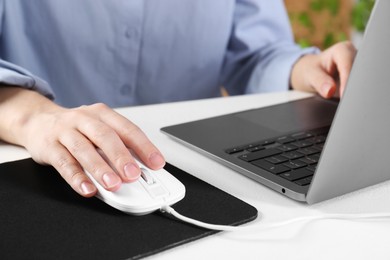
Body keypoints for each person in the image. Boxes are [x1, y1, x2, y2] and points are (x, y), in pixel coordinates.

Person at [0, 1, 356, 197]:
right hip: (36, 166)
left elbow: (255, 54)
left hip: (194, 169)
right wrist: (32, 117)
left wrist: (305, 68)